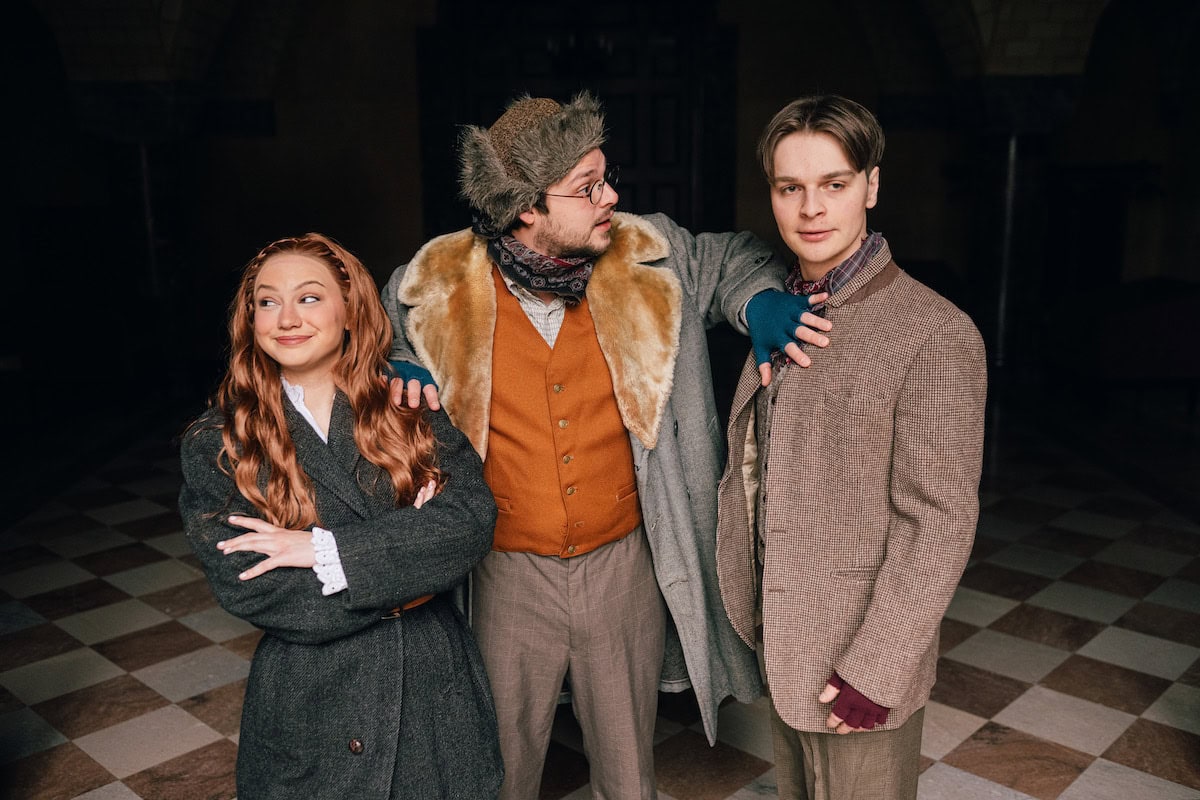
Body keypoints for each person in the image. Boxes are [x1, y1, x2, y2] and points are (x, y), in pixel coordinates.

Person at [381, 92, 833, 799]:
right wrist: (398, 359)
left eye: (606, 175)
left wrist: (759, 300)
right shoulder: (439, 282)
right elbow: (379, 322)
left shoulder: (649, 250)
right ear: (526, 207)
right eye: (587, 187)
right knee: (501, 762)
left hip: (624, 562)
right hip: (504, 571)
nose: (610, 196)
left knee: (628, 771)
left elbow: (734, 260)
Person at [716, 95, 987, 800]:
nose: (811, 207)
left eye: (833, 184)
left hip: (860, 659)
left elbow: (940, 519)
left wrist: (880, 665)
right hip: (788, 636)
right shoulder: (784, 306)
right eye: (790, 187)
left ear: (871, 184)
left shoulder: (935, 332)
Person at [178, 233, 503, 800]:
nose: (286, 318)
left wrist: (323, 551)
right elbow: (252, 587)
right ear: (249, 318)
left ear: (350, 309)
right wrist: (406, 575)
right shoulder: (219, 442)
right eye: (267, 301)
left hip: (429, 692)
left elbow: (471, 521)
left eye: (308, 297)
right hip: (310, 703)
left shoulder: (409, 408)